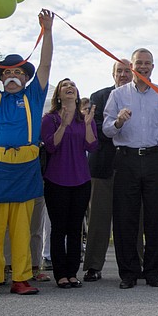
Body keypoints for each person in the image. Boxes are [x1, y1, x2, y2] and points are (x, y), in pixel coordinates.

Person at [0, 10, 54, 297]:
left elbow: (45, 64)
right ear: (2, 77)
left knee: (21, 228)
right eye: (8, 72)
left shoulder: (33, 95)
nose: (13, 75)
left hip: (26, 167)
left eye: (18, 71)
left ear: (25, 77)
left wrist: (48, 30)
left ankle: (21, 278)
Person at [103, 48, 158, 289]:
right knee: (125, 218)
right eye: (139, 63)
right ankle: (128, 272)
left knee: (155, 218)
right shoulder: (118, 96)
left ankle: (153, 272)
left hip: (155, 159)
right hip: (126, 159)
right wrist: (118, 121)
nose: (144, 67)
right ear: (131, 68)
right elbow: (107, 129)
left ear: (153, 67)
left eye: (148, 63)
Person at [40, 78, 98, 288]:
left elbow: (91, 146)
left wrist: (89, 123)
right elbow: (51, 147)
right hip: (57, 180)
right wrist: (63, 125)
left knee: (75, 229)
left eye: (73, 85)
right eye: (65, 85)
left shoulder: (84, 119)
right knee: (59, 228)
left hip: (81, 179)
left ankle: (72, 273)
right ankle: (60, 274)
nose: (70, 87)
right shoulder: (50, 119)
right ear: (58, 94)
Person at [83, 59, 135, 282]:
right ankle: (94, 266)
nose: (123, 74)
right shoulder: (99, 97)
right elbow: (96, 130)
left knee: (134, 218)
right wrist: (118, 125)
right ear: (113, 74)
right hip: (103, 165)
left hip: (132, 167)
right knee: (99, 219)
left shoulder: (142, 97)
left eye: (127, 71)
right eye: (119, 71)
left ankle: (136, 264)